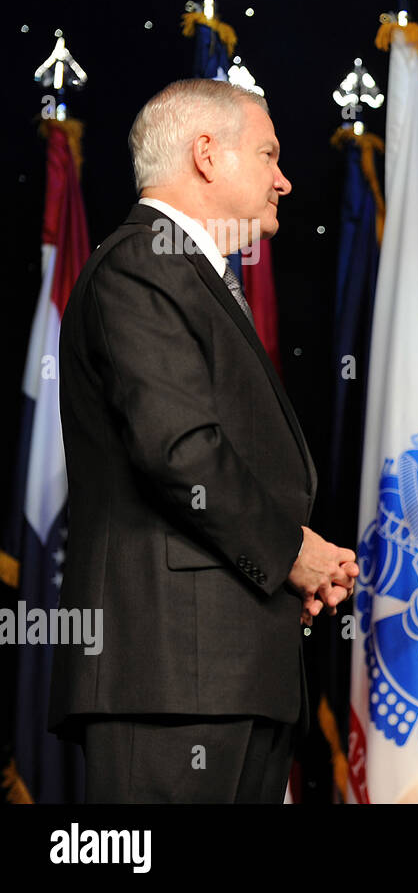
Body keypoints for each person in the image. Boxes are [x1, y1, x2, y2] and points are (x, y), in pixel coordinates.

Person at [51, 79, 358, 803]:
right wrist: (292, 553)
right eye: (269, 154)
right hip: (167, 677)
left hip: (225, 671)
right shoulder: (141, 265)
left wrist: (288, 566)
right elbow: (181, 452)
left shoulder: (193, 275)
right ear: (206, 155)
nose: (284, 179)